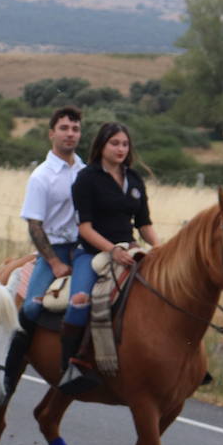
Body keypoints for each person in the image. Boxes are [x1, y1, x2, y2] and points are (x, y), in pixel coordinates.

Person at [57, 121, 161, 395]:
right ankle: (68, 367)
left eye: (125, 144)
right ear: (102, 146)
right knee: (79, 302)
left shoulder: (135, 180)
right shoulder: (87, 179)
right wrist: (112, 250)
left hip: (130, 250)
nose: (121, 149)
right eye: (114, 143)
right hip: (92, 253)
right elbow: (85, 228)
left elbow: (144, 223)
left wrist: (161, 249)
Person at [2, 106, 85, 395]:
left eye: (75, 129)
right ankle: (8, 372)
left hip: (86, 248)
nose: (70, 134)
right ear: (52, 133)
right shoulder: (42, 176)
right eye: (64, 128)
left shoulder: (85, 170)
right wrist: (54, 263)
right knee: (32, 306)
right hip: (56, 250)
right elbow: (35, 226)